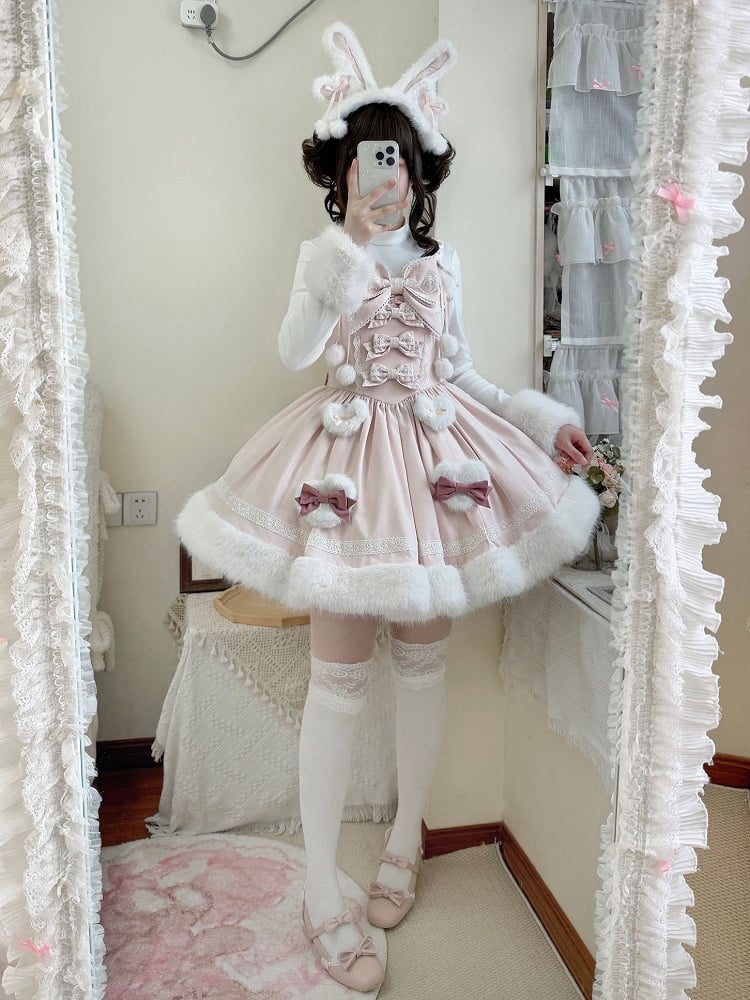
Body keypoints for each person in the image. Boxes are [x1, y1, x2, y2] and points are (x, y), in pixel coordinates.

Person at [176, 22, 599, 992]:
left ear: (418, 171)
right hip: (346, 461)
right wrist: (340, 265)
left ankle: (406, 837)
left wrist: (545, 424)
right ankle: (320, 883)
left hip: (435, 467)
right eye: (370, 158)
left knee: (421, 665)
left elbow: (467, 375)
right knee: (336, 679)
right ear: (342, 172)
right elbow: (294, 351)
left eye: (399, 159)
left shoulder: (443, 266)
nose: (387, 175)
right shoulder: (323, 254)